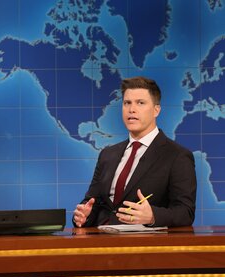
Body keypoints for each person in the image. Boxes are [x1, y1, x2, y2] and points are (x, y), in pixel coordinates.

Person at [73, 76, 196, 227]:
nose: (132, 109)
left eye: (140, 103)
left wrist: (152, 216)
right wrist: (84, 215)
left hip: (143, 245)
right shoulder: (107, 155)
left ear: (156, 110)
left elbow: (185, 212)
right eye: (127, 103)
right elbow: (92, 202)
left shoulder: (177, 156)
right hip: (101, 241)